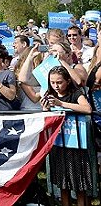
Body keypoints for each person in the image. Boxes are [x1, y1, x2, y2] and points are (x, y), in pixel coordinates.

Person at [40, 66, 93, 206]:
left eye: (59, 82)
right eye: (52, 82)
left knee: (79, 183)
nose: (56, 86)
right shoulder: (49, 94)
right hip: (58, 144)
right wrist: (45, 108)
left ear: (68, 81)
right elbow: (46, 116)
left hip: (76, 145)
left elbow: (87, 108)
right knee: (63, 183)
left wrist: (61, 104)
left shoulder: (76, 93)